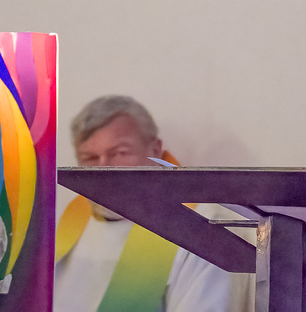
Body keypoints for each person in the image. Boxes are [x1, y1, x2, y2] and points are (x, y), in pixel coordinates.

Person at [54, 95, 251, 312]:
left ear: (155, 150)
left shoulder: (203, 228)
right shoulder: (68, 220)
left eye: (119, 153)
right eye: (89, 158)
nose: (103, 169)